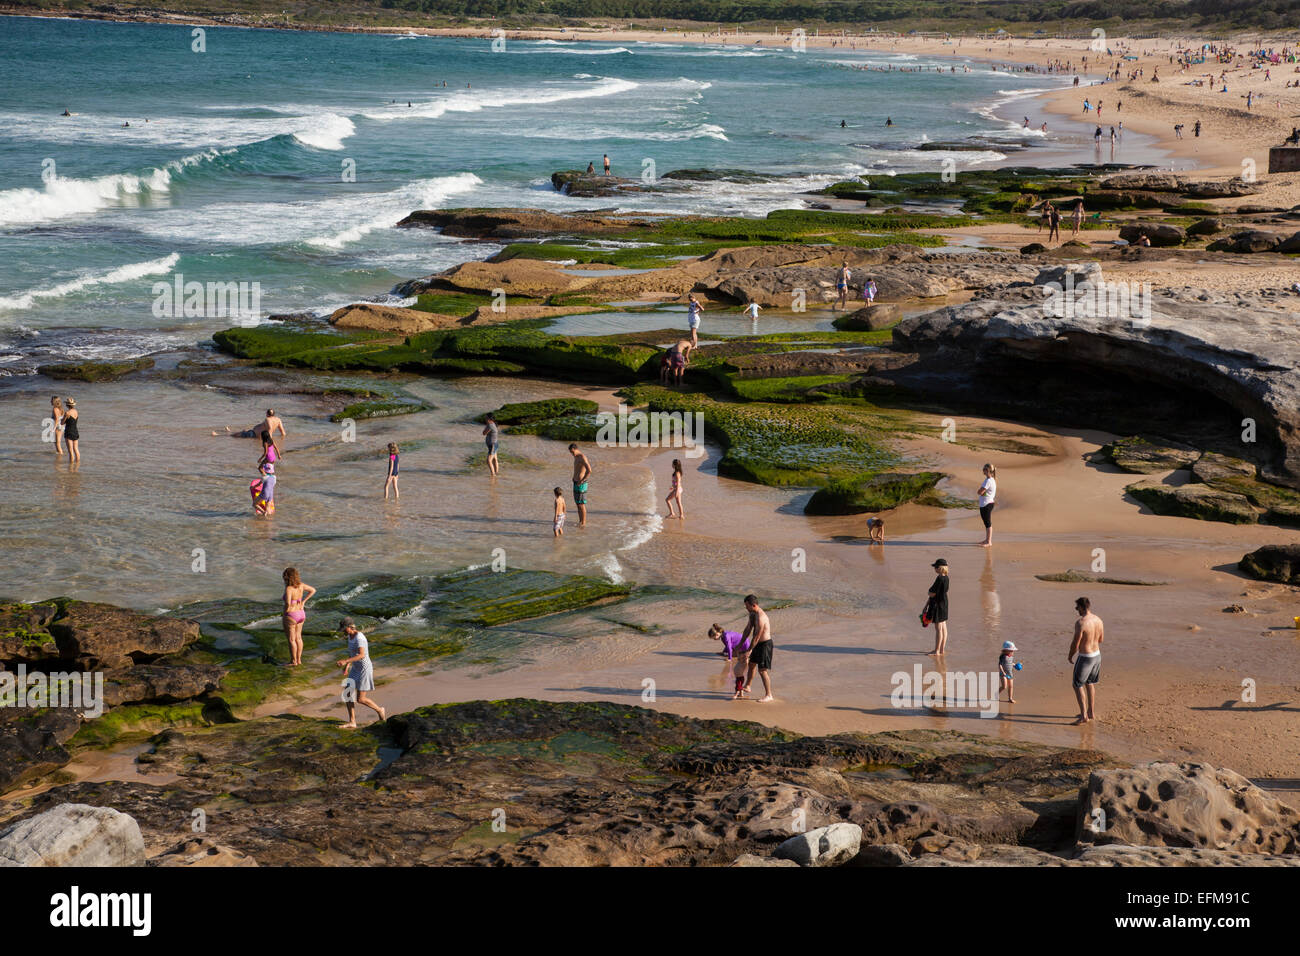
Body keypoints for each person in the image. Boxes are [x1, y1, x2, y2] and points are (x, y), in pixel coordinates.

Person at [336, 617, 386, 728]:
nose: (343, 631)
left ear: (350, 627)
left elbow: (361, 655)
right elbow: (352, 653)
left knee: (360, 699)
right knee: (347, 693)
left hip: (364, 668)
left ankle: (380, 710)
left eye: (345, 629)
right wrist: (348, 666)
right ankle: (352, 722)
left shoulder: (360, 638)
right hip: (355, 668)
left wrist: (345, 661)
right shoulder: (350, 636)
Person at [1067, 597, 1104, 724]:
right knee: (1090, 682)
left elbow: (1075, 644)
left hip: (1085, 657)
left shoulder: (1081, 623)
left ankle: (1084, 716)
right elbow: (1101, 639)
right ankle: (1091, 712)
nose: (1077, 610)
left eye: (1077, 608)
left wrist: (1070, 655)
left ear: (1082, 607)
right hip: (1097, 655)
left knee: (1077, 685)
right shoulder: (1098, 620)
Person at [740, 594, 774, 702]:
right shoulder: (752, 614)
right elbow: (748, 629)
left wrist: (749, 650)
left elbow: (757, 636)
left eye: (747, 606)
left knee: (762, 670)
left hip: (765, 645)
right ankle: (748, 686)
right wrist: (740, 643)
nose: (746, 608)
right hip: (757, 644)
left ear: (753, 605)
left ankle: (769, 695)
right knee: (751, 664)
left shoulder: (761, 616)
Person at [281, 567, 315, 667]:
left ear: (287, 578)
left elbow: (287, 603)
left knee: (291, 640)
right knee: (298, 638)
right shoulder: (301, 585)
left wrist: (285, 612)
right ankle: (299, 660)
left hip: (291, 615)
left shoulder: (289, 588)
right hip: (301, 613)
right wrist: (304, 601)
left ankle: (293, 661)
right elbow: (313, 590)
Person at [709, 623, 750, 699]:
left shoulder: (726, 636)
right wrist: (723, 652)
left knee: (735, 657)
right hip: (741, 643)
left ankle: (738, 691)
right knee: (727, 652)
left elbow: (729, 647)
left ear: (718, 633)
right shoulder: (723, 635)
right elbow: (727, 645)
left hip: (745, 645)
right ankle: (740, 691)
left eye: (714, 637)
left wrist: (730, 658)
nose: (714, 639)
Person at [926, 558, 950, 655]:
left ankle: (936, 651)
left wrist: (929, 593)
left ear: (939, 568)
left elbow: (932, 593)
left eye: (935, 567)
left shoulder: (939, 578)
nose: (934, 569)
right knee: (943, 627)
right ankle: (941, 649)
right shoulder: (946, 577)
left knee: (938, 629)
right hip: (944, 603)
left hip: (937, 605)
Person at [569, 443, 591, 527]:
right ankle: (580, 521)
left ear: (576, 449)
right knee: (577, 504)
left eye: (572, 452)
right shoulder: (576, 457)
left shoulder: (582, 457)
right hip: (575, 482)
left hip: (581, 484)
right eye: (571, 452)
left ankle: (583, 523)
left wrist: (582, 480)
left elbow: (589, 470)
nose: (572, 454)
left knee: (581, 504)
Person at [978, 463, 997, 547]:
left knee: (988, 523)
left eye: (984, 469)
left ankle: (989, 542)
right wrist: (984, 493)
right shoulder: (991, 479)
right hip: (988, 503)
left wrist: (982, 493)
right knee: (987, 523)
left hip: (986, 504)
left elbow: (980, 492)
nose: (983, 470)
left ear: (987, 471)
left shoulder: (988, 481)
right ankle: (987, 540)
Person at [63, 398, 80, 462]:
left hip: (69, 432)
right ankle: (77, 464)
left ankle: (71, 466)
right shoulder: (76, 411)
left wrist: (64, 417)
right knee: (76, 449)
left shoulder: (67, 413)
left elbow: (62, 423)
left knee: (70, 451)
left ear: (67, 405)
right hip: (75, 431)